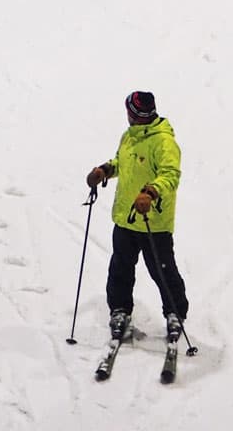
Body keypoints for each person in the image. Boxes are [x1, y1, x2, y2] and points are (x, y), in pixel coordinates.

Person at [83, 91, 188, 345]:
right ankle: (119, 310)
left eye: (129, 111)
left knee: (162, 271)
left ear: (137, 114)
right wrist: (104, 170)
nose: (127, 115)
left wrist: (151, 192)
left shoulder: (164, 142)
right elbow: (121, 162)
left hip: (154, 222)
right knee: (120, 267)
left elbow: (171, 175)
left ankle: (175, 314)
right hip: (126, 219)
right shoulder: (129, 137)